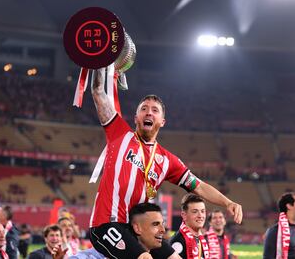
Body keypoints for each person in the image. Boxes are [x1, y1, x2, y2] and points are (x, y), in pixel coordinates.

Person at [88, 68, 242, 259]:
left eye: (154, 110)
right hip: (106, 225)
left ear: (162, 121)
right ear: (136, 118)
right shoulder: (120, 134)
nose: (148, 113)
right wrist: (99, 62)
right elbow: (97, 92)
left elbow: (199, 187)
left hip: (138, 228)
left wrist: (228, 202)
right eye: (143, 109)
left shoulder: (167, 160)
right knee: (145, 258)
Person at [170, 194, 210, 258]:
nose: (200, 216)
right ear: (184, 215)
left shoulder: (202, 240)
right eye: (195, 212)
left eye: (202, 211)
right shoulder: (177, 242)